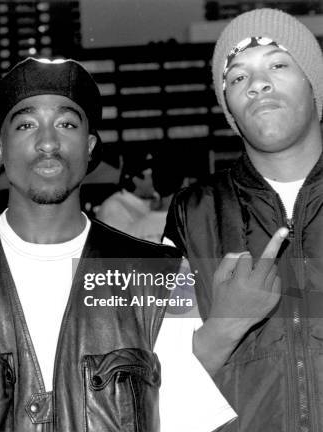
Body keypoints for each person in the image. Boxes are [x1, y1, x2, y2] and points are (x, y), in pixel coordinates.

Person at [0, 57, 236, 431]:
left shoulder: (163, 273)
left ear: (90, 146)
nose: (48, 142)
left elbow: (187, 419)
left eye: (66, 124)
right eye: (27, 124)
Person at [164, 8, 323, 431]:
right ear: (229, 108)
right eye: (236, 77)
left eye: (278, 63)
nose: (257, 84)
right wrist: (225, 325)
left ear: (314, 85)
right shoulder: (190, 213)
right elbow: (156, 379)